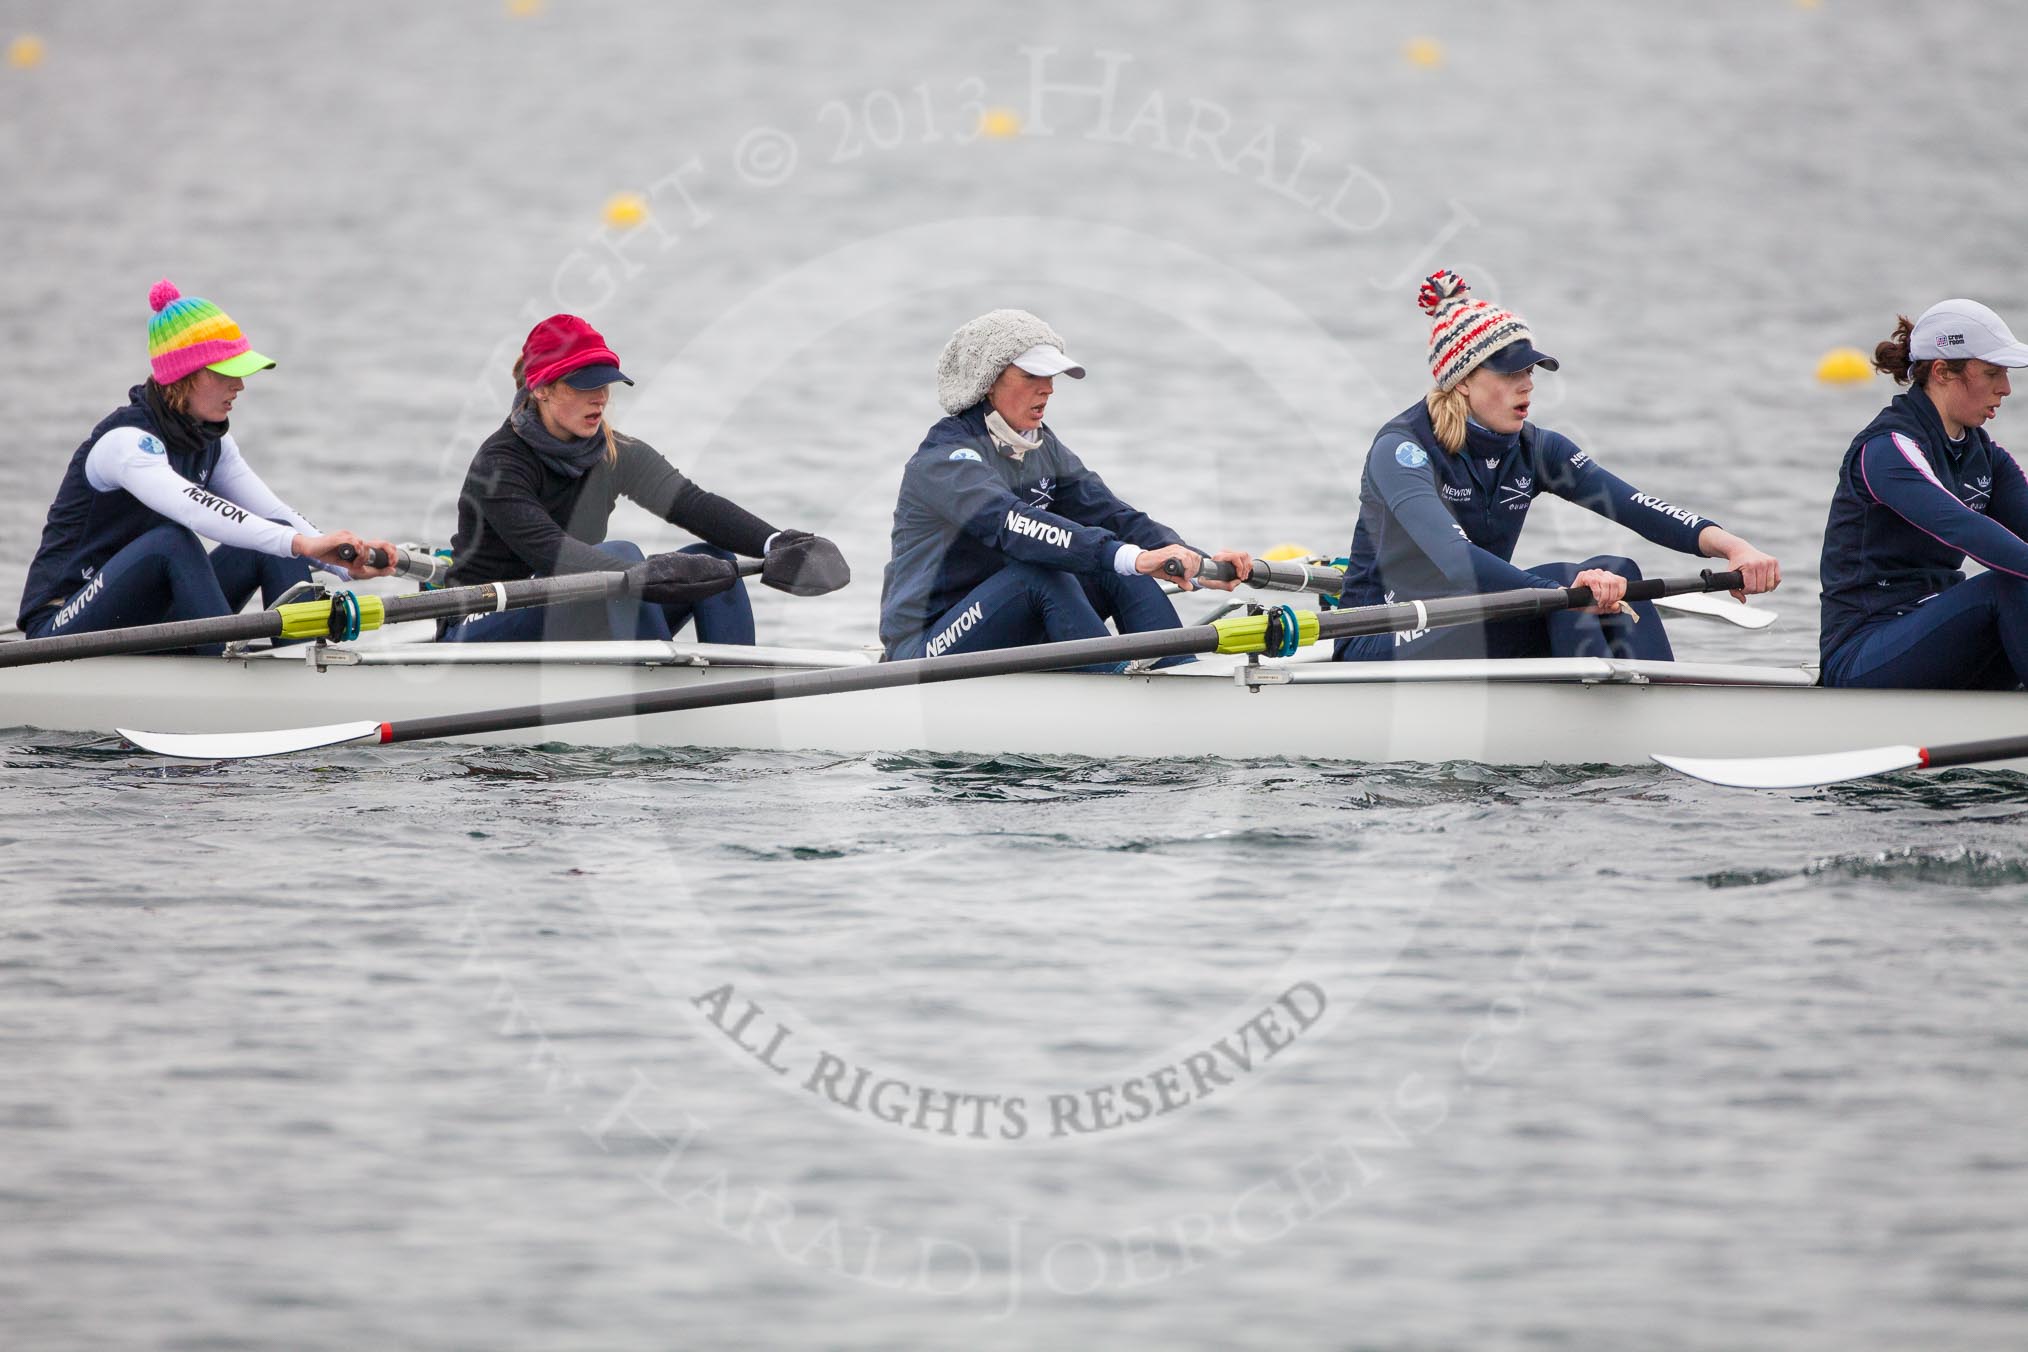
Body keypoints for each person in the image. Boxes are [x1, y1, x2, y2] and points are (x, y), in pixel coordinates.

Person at [1333, 271, 1780, 662]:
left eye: (1531, 371)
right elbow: (1454, 559)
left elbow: (1637, 505)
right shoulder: (1402, 450)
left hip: (1474, 617)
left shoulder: (1536, 449)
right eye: (1510, 374)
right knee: (1572, 587)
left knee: (1616, 569)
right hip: (1380, 631)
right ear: (1464, 381)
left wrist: (1733, 548)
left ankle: (1654, 709)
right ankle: (1598, 727)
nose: (1528, 384)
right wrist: (1562, 593)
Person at [17, 280, 398, 645]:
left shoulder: (212, 442)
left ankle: (302, 657)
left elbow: (270, 511)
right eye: (226, 372)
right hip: (61, 622)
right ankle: (231, 674)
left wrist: (343, 562)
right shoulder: (125, 443)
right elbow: (194, 509)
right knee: (173, 541)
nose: (240, 385)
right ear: (185, 376)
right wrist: (301, 545)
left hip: (145, 616)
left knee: (272, 533)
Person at [443, 314, 848, 644]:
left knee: (715, 562)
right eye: (583, 386)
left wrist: (777, 543)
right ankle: (653, 689)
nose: (600, 397)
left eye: (604, 384)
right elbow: (551, 552)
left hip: (573, 604)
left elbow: (694, 504)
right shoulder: (499, 465)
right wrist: (641, 575)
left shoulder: (615, 450)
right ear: (543, 388)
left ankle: (735, 683)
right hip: (481, 620)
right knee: (625, 554)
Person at [878, 308, 1253, 665]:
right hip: (924, 646)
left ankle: (1177, 673)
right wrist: (1131, 557)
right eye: (1031, 377)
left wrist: (1198, 562)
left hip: (1001, 624)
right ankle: (1115, 691)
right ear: (988, 382)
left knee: (1114, 565)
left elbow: (1114, 516)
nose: (1048, 390)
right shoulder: (945, 460)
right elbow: (1012, 524)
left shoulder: (1040, 446)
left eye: (1051, 377)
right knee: (1052, 570)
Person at [1818, 299, 2028, 689]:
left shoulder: (1982, 454)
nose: (2006, 388)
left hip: (1937, 634)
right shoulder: (1887, 449)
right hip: (1862, 651)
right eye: (1992, 372)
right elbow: (1962, 528)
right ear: (1943, 371)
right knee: (2009, 582)